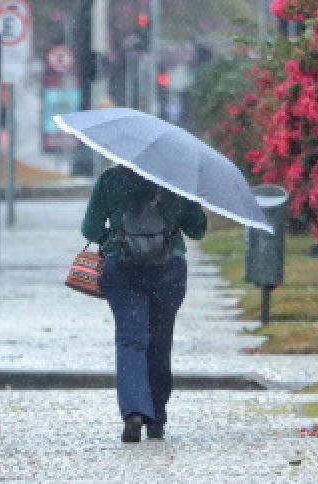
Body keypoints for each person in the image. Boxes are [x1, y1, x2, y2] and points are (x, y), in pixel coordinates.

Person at [81, 163, 207, 443]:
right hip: (168, 270)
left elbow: (89, 228)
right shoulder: (176, 179)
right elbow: (197, 230)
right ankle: (157, 419)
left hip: (122, 268)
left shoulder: (110, 179)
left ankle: (134, 411)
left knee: (130, 340)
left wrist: (113, 239)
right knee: (160, 342)